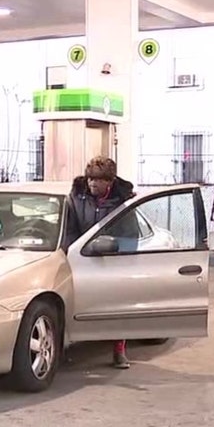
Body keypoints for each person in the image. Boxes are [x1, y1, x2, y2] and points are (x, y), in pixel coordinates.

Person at [63, 155, 137, 369]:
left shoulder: (123, 201)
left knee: (116, 304)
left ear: (109, 182)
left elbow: (129, 234)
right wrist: (74, 250)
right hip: (81, 256)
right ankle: (68, 346)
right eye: (90, 179)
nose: (92, 184)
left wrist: (115, 251)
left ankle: (119, 350)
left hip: (111, 257)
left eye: (98, 180)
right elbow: (70, 227)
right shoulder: (77, 196)